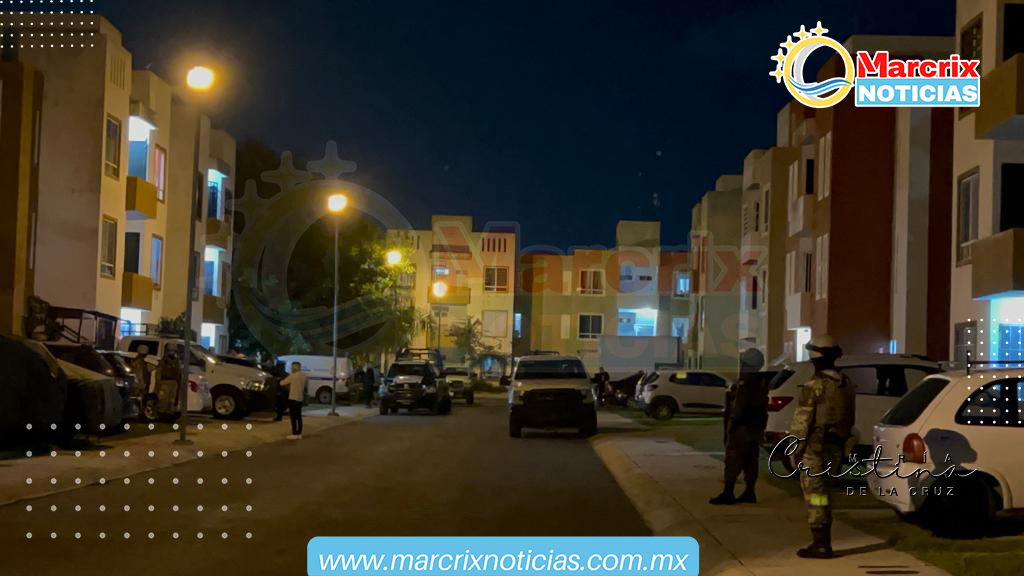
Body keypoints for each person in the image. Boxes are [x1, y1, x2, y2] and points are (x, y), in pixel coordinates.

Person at [788, 335, 856, 559]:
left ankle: (821, 543)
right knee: (824, 494)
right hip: (835, 448)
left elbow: (802, 421)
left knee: (815, 495)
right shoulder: (845, 383)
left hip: (814, 450)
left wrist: (795, 449)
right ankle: (822, 539)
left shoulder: (814, 385)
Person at [711, 348, 768, 505]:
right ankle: (749, 492)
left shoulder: (745, 382)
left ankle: (728, 492)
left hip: (742, 427)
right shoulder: (761, 381)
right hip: (755, 427)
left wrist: (731, 426)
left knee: (733, 459)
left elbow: (739, 406)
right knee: (751, 459)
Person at [279, 361, 308, 440]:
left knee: (293, 417)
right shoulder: (303, 375)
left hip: (293, 397)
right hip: (300, 398)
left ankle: (294, 433)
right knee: (298, 417)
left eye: (292, 367)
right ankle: (299, 433)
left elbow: (282, 383)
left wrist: (280, 380)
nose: (291, 369)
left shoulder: (293, 375)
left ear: (295, 367)